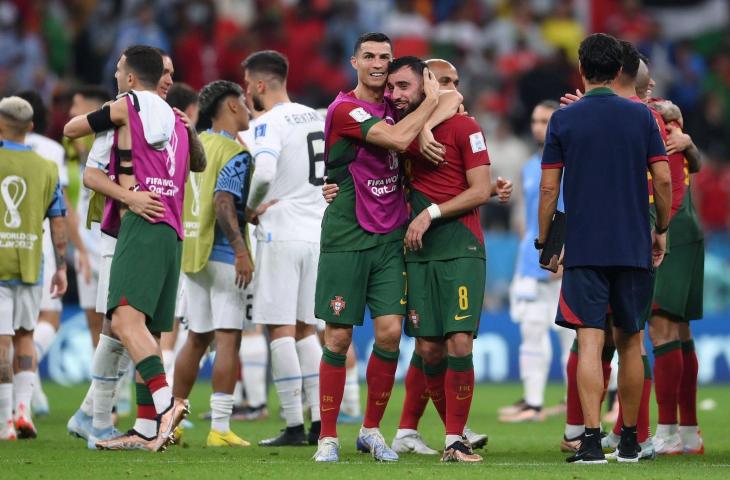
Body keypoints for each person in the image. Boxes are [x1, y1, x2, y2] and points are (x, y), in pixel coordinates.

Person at [313, 32, 460, 463]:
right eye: (370, 56)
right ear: (354, 61)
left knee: (392, 333)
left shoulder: (399, 105)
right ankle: (326, 437)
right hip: (345, 235)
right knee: (338, 336)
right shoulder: (345, 109)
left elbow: (455, 97)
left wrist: (430, 104)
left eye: (385, 57)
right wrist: (430, 106)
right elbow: (398, 141)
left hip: (391, 236)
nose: (378, 63)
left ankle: (372, 431)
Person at [538, 33, 671, 464]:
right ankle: (631, 440)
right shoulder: (642, 118)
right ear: (619, 72)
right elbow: (664, 180)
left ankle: (591, 440)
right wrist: (661, 227)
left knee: (590, 342)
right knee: (633, 341)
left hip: (585, 247)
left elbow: (547, 188)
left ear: (582, 70)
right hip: (632, 243)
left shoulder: (564, 120)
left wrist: (545, 238)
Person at [66, 51, 206, 450]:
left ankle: (164, 407)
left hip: (141, 226)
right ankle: (143, 427)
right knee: (147, 328)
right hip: (172, 231)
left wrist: (130, 196)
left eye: (118, 71)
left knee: (123, 324)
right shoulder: (178, 122)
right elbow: (195, 165)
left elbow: (72, 129)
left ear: (129, 79)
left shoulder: (124, 108)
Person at [391, 58, 502, 454]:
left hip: (460, 248)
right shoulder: (400, 130)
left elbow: (479, 188)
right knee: (427, 348)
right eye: (443, 81)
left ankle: (455, 437)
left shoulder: (467, 127)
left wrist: (431, 212)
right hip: (419, 252)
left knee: (459, 343)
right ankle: (421, 430)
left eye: (455, 82)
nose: (453, 90)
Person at [240, 50, 326, 447]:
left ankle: (293, 423)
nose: (246, 93)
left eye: (247, 85)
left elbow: (267, 171)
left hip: (280, 231)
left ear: (259, 85)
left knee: (280, 329)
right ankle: (321, 422)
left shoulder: (267, 123)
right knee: (308, 329)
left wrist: (250, 207)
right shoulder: (315, 116)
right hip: (317, 233)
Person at [173, 80, 254, 448]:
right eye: (244, 103)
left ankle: (171, 419)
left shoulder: (194, 143)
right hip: (222, 254)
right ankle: (220, 427)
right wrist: (241, 250)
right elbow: (223, 202)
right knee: (227, 337)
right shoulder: (234, 152)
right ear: (232, 107)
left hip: (191, 251)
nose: (249, 109)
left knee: (196, 336)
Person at [502, 100, 574, 423]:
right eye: (535, 120)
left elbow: (570, 212)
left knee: (569, 335)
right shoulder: (531, 165)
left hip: (559, 258)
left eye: (545, 120)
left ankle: (574, 402)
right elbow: (525, 214)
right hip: (530, 259)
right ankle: (533, 403)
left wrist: (563, 253)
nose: (538, 127)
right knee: (531, 330)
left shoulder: (571, 163)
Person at [0, 96, 67, 440]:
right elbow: (58, 225)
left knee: (1, 342)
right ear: (29, 127)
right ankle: (24, 410)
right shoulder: (47, 168)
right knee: (25, 336)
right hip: (31, 263)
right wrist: (61, 268)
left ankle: (3, 423)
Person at [15, 90, 74, 416]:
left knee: (9, 326)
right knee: (46, 317)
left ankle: (22, 401)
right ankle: (29, 371)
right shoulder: (51, 150)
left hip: (5, 240)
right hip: (40, 242)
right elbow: (59, 206)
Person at [64, 86, 112, 349]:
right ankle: (101, 386)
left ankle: (123, 389)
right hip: (85, 244)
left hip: (109, 243)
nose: (71, 114)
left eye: (76, 107)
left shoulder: (113, 141)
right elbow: (70, 201)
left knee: (116, 322)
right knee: (94, 321)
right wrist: (79, 248)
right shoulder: (71, 149)